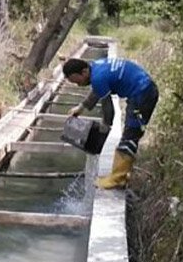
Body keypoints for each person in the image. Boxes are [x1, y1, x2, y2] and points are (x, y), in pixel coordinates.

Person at [64, 56, 159, 189]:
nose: (78, 85)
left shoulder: (98, 77)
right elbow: (98, 90)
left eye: (77, 81)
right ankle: (123, 174)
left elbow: (108, 109)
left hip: (142, 93)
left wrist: (105, 127)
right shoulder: (96, 66)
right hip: (144, 89)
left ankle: (117, 179)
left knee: (130, 135)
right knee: (131, 133)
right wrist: (81, 108)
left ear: (84, 72)